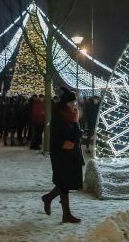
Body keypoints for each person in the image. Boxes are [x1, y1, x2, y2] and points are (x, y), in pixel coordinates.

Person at [41, 87, 84, 223]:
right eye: (72, 103)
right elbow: (56, 138)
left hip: (72, 154)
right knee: (64, 182)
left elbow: (75, 132)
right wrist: (70, 140)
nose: (74, 105)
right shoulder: (59, 116)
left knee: (66, 183)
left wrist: (77, 132)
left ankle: (66, 214)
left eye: (75, 103)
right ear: (66, 103)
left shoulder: (72, 115)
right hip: (61, 155)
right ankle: (49, 199)